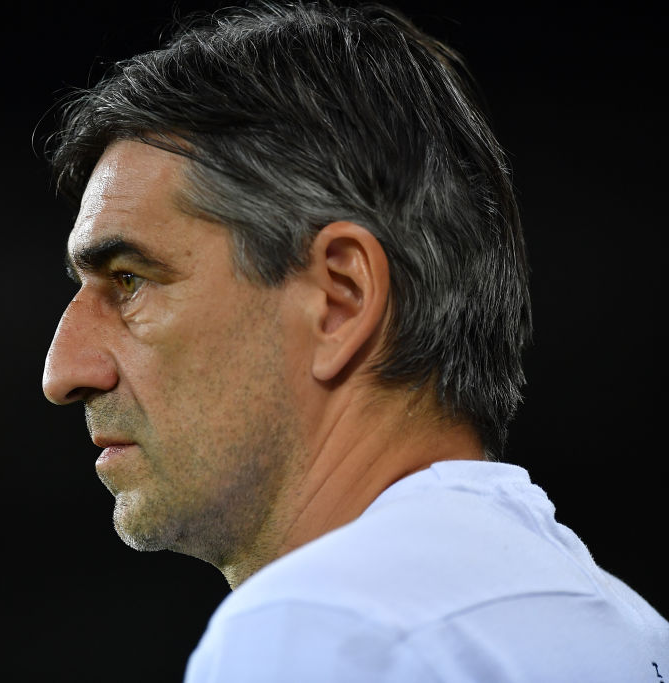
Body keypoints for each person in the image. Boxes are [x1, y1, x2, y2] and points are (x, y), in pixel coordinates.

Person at [40, 2, 668, 680]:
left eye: (130, 280)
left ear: (340, 300)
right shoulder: (633, 632)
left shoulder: (321, 628)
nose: (63, 372)